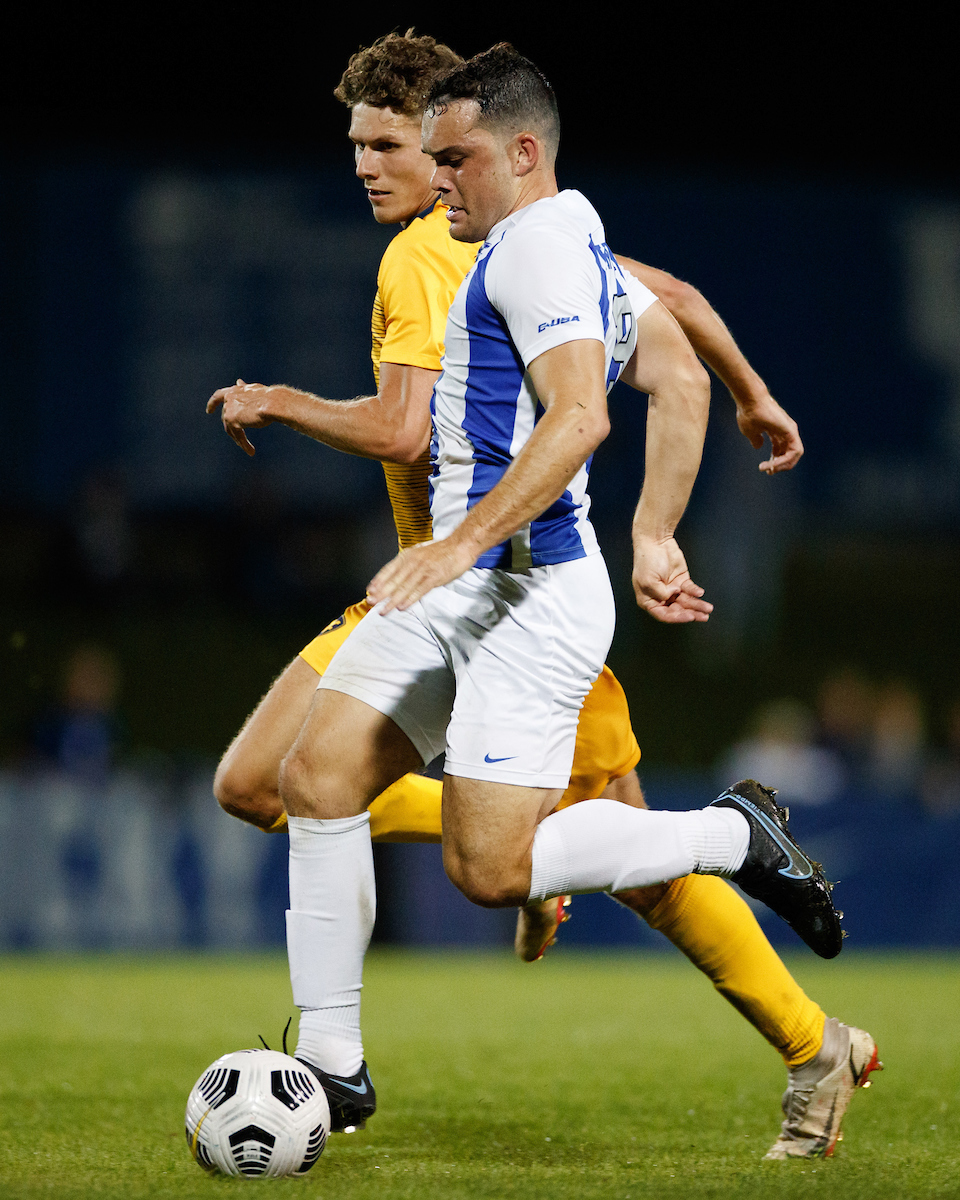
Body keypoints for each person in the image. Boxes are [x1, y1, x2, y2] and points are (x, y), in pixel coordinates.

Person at [207, 33, 877, 1160]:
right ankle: (334, 1066)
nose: (382, 166)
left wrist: (289, 411)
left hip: (511, 584)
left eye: (408, 147)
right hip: (448, 581)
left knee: (553, 856)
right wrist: (744, 411)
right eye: (373, 145)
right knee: (296, 778)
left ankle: (761, 911)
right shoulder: (542, 230)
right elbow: (678, 313)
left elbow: (505, 419)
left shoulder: (483, 254)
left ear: (484, 152)